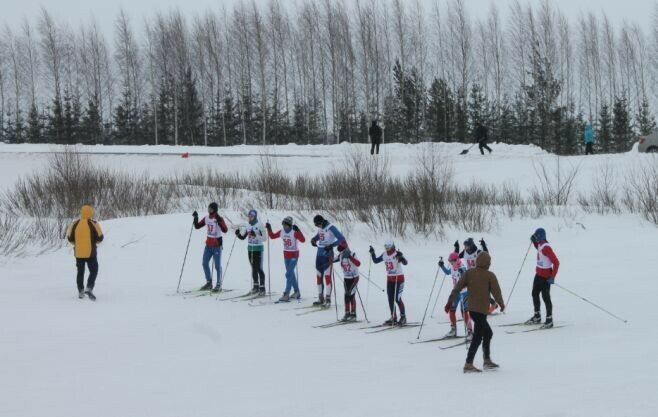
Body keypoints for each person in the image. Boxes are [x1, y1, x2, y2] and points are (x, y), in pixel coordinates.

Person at [445, 252, 505, 373]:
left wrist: (450, 301)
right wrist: (501, 304)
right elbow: (496, 292)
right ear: (488, 263)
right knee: (478, 337)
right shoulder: (489, 275)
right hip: (481, 311)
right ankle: (468, 363)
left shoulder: (469, 273)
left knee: (487, 333)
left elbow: (457, 287)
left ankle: (486, 360)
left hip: (472, 310)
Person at [66, 205, 104, 300]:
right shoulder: (94, 223)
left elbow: (70, 238)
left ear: (81, 212)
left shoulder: (75, 223)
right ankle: (89, 288)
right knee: (94, 270)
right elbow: (100, 238)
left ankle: (81, 291)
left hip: (78, 253)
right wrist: (94, 242)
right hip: (91, 253)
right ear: (90, 213)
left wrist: (77, 244)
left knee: (80, 272)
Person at [526, 228, 560, 328]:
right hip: (538, 275)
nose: (535, 238)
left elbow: (556, 262)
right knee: (534, 293)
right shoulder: (540, 244)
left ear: (540, 237)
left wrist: (553, 277)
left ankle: (549, 320)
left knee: (546, 298)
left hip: (546, 277)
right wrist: (533, 242)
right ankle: (537, 316)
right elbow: (538, 248)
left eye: (536, 237)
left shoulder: (547, 248)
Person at [266, 216, 305, 302]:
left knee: (288, 274)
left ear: (289, 225)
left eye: (286, 225)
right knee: (291, 274)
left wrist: (298, 230)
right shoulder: (282, 232)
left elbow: (303, 240)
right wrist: (269, 228)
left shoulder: (294, 232)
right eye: (283, 224)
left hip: (294, 254)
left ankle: (286, 294)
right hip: (286, 254)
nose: (284, 226)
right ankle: (296, 292)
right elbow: (272, 236)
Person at [369, 240, 408, 325]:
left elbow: (405, 263)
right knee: (390, 299)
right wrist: (373, 253)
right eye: (386, 248)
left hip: (399, 278)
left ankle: (403, 317)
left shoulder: (397, 254)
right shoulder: (384, 254)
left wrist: (402, 258)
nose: (387, 250)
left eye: (389, 248)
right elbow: (376, 261)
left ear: (393, 247)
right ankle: (393, 317)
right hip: (390, 279)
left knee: (397, 298)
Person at [310, 214, 346, 306]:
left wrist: (331, 245)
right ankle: (320, 298)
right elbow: (319, 236)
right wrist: (313, 240)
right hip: (319, 254)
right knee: (318, 276)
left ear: (321, 222)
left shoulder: (331, 227)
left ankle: (328, 299)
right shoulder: (320, 228)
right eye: (315, 225)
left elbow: (342, 239)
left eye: (317, 224)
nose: (317, 226)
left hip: (327, 254)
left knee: (327, 276)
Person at [456, 237, 499, 314]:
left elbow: (486, 255)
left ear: (471, 245)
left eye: (467, 246)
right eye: (464, 246)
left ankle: (491, 305)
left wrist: (484, 245)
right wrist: (456, 248)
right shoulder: (465, 252)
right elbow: (456, 257)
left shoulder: (477, 252)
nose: (465, 247)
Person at [193, 202, 228, 292]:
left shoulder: (219, 218)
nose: (209, 210)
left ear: (214, 210)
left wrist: (219, 220)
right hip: (208, 246)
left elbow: (225, 230)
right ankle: (209, 283)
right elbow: (197, 226)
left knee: (217, 266)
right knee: (204, 263)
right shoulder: (207, 218)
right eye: (208, 208)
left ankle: (219, 284)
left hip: (217, 246)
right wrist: (195, 217)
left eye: (211, 209)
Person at [439, 252, 472, 340]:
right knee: (451, 310)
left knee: (464, 312)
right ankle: (453, 330)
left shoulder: (462, 267)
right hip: (456, 293)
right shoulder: (453, 267)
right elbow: (447, 272)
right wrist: (442, 266)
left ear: (456, 260)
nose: (450, 263)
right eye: (449, 261)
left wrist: (463, 274)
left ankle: (470, 331)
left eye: (451, 261)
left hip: (464, 292)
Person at [235, 209, 268, 295]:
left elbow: (264, 238)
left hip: (258, 249)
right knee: (253, 268)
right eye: (249, 216)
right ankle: (255, 287)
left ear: (255, 217)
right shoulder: (248, 225)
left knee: (259, 268)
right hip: (250, 249)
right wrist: (238, 234)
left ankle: (262, 288)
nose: (250, 218)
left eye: (251, 216)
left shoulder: (260, 225)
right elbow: (243, 237)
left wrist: (255, 235)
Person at [335, 242, 361, 321]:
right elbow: (332, 260)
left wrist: (350, 256)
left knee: (351, 294)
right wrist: (329, 252)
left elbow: (358, 263)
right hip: (346, 278)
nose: (340, 251)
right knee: (346, 295)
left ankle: (353, 314)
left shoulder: (352, 254)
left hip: (354, 278)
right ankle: (347, 313)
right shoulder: (341, 255)